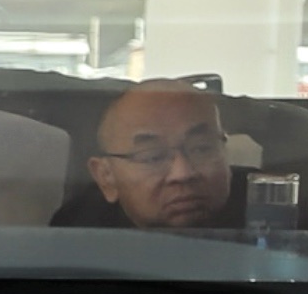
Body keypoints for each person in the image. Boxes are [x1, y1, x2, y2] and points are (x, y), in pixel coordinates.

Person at [58, 82, 251, 232]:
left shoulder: (260, 203)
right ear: (106, 177)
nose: (183, 173)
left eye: (201, 149)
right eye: (153, 157)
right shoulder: (79, 230)